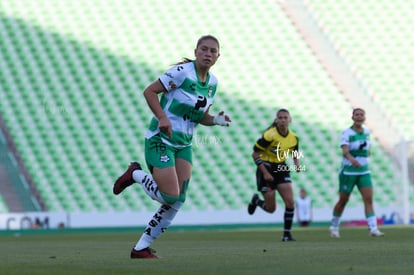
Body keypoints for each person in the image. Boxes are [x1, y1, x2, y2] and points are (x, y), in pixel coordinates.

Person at [113, 35, 231, 258]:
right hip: (160, 140)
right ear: (196, 52)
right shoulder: (182, 73)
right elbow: (149, 91)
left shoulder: (212, 84)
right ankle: (135, 174)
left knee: (178, 199)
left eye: (213, 51)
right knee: (169, 195)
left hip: (183, 145)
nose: (208, 53)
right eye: (204, 49)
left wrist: (215, 120)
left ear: (218, 56)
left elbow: (199, 116)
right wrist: (162, 118)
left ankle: (140, 248)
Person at [247, 108, 301, 241]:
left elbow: (295, 153)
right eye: (280, 118)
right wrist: (265, 173)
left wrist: (297, 164)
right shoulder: (269, 135)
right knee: (271, 209)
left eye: (285, 117)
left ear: (289, 120)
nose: (283, 120)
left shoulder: (293, 138)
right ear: (277, 120)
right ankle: (256, 201)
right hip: (266, 166)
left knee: (290, 202)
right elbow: (255, 154)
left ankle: (287, 235)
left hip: (281, 167)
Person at [329, 108, 384, 238]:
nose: (359, 117)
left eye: (361, 115)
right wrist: (352, 160)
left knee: (368, 199)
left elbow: (368, 149)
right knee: (343, 200)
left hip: (364, 171)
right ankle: (334, 226)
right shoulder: (347, 133)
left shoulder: (366, 132)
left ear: (364, 118)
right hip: (348, 172)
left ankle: (373, 228)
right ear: (352, 117)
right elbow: (345, 150)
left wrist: (366, 159)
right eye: (357, 115)